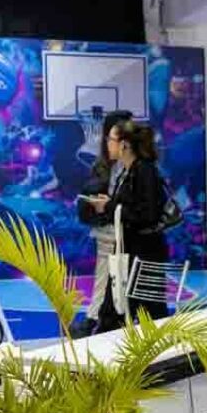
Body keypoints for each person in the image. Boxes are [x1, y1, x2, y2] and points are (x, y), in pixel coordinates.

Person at [92, 121, 169, 325]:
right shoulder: (127, 171)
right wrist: (107, 206)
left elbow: (147, 215)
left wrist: (109, 207)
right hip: (128, 251)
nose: (107, 143)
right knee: (116, 311)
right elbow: (129, 208)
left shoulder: (144, 171)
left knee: (147, 315)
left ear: (124, 144)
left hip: (143, 254)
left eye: (111, 139)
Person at [77, 111, 133, 334]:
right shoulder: (104, 164)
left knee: (125, 279)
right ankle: (94, 318)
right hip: (108, 228)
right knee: (105, 275)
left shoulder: (136, 165)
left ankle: (104, 319)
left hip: (128, 228)